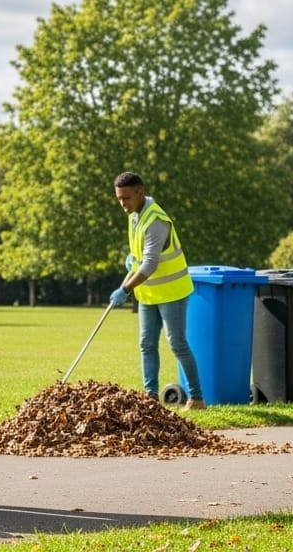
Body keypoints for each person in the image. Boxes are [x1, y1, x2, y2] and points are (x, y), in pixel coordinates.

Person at [109, 171, 205, 410]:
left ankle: (197, 398)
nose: (122, 204)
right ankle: (149, 399)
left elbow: (150, 264)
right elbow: (140, 259)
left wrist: (125, 289)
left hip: (172, 291)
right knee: (146, 344)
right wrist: (130, 266)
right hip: (149, 293)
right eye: (119, 198)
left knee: (177, 344)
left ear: (140, 193)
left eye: (126, 198)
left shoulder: (156, 221)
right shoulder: (134, 216)